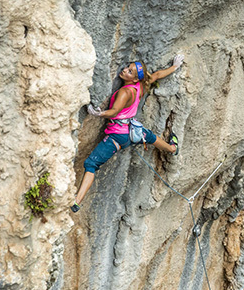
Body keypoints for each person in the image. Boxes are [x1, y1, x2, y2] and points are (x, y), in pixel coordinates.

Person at [71, 55, 184, 213]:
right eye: (127, 67)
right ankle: (172, 149)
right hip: (133, 130)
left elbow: (115, 111)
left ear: (134, 79)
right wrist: (175, 66)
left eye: (130, 71)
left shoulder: (124, 93)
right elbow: (156, 75)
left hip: (118, 136)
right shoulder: (141, 86)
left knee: (91, 164)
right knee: (150, 137)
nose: (124, 70)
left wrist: (99, 114)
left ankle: (77, 201)